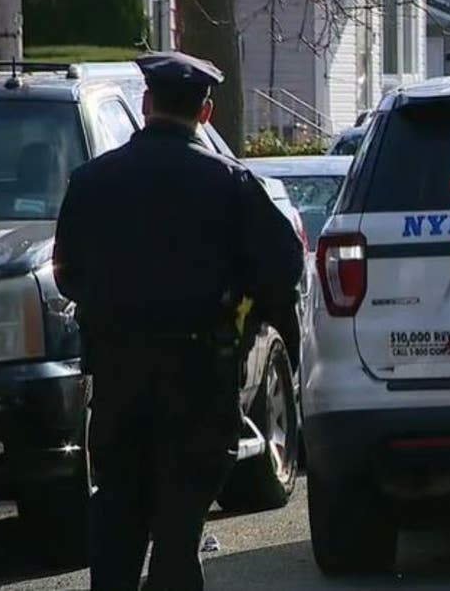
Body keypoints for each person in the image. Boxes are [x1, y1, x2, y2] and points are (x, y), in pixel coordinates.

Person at [53, 52, 304, 590]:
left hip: (119, 374)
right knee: (178, 529)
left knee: (117, 515)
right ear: (206, 113)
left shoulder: (92, 181)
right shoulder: (231, 184)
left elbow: (66, 271)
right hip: (198, 374)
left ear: (145, 105)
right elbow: (283, 270)